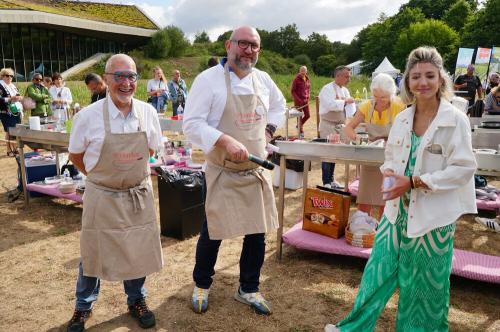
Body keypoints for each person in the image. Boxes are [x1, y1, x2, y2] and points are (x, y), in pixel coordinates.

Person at [325, 46, 477, 332]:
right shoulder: (404, 118)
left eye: (430, 76)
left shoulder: (455, 119)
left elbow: (464, 168)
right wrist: (391, 178)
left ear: (441, 79)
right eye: (416, 76)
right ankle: (353, 329)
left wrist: (416, 182)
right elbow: (392, 160)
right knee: (376, 274)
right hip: (396, 213)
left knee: (424, 288)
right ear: (407, 81)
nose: (423, 82)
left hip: (434, 219)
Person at [183, 26, 285, 316]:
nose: (248, 50)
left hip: (255, 171)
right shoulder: (208, 80)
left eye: (254, 45)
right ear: (229, 45)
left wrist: (267, 131)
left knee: (257, 233)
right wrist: (225, 141)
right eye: (243, 44)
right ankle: (202, 285)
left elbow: (279, 107)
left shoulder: (263, 80)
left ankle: (248, 288)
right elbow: (191, 123)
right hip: (221, 170)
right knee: (212, 231)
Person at [66, 54, 163, 332]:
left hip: (136, 194)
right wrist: (101, 178)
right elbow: (75, 155)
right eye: (118, 76)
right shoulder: (88, 116)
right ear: (106, 80)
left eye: (131, 76)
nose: (126, 82)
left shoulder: (148, 112)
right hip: (102, 195)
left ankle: (137, 300)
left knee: (137, 248)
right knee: (93, 250)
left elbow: (152, 150)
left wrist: (127, 175)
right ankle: (83, 307)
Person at [344, 73, 406, 219]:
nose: (378, 101)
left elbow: (407, 133)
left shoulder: (400, 106)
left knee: (387, 198)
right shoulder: (366, 106)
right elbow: (349, 128)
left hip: (392, 158)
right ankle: (364, 227)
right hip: (371, 156)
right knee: (366, 196)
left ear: (392, 94)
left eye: (383, 97)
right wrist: (358, 138)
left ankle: (383, 230)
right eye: (375, 96)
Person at [318, 66, 356, 188]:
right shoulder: (327, 89)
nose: (348, 79)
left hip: (339, 124)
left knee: (335, 153)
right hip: (328, 124)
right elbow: (329, 104)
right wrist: (345, 102)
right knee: (328, 152)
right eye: (346, 77)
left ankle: (332, 179)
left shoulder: (345, 90)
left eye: (349, 77)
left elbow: (350, 108)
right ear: (338, 76)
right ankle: (326, 182)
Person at [0, 68, 23, 156]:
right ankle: (9, 150)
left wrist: (19, 98)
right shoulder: (0, 86)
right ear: (2, 76)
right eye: (7, 75)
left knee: (15, 130)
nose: (9, 77)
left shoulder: (13, 86)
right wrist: (10, 99)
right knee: (9, 131)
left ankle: (15, 149)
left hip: (16, 111)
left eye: (11, 76)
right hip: (6, 112)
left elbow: (17, 96)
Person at [291, 65, 311, 137]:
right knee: (299, 116)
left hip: (306, 101)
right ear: (299, 71)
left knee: (308, 115)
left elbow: (308, 89)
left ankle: (299, 125)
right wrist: (298, 99)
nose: (303, 72)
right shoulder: (296, 79)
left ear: (306, 71)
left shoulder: (307, 79)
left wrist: (308, 97)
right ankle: (301, 132)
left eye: (304, 70)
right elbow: (292, 91)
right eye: (301, 70)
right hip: (298, 101)